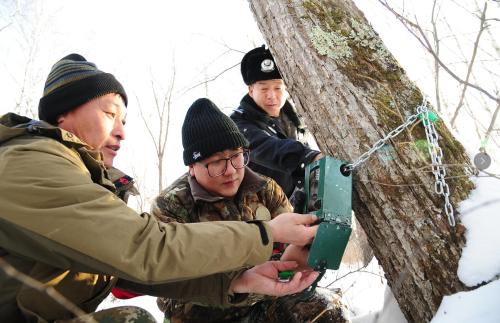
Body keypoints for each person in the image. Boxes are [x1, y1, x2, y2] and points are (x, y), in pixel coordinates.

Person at [0, 54, 320, 322]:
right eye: (110, 114)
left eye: (124, 121)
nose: (121, 132)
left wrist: (238, 281)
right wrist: (266, 233)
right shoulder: (28, 163)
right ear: (62, 115)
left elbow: (129, 270)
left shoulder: (86, 180)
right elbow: (145, 249)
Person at [152, 98, 341, 323]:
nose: (231, 170)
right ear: (192, 167)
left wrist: (294, 261)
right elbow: (169, 294)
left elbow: (289, 252)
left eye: (236, 156)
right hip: (204, 315)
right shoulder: (171, 205)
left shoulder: (265, 189)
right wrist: (246, 282)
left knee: (325, 310)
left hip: (262, 305)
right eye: (217, 162)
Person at [230, 45, 324, 207]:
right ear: (251, 90)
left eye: (278, 88)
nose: (272, 96)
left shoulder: (295, 120)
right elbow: (267, 147)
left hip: (301, 204)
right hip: (259, 213)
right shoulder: (238, 125)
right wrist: (307, 157)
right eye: (264, 88)